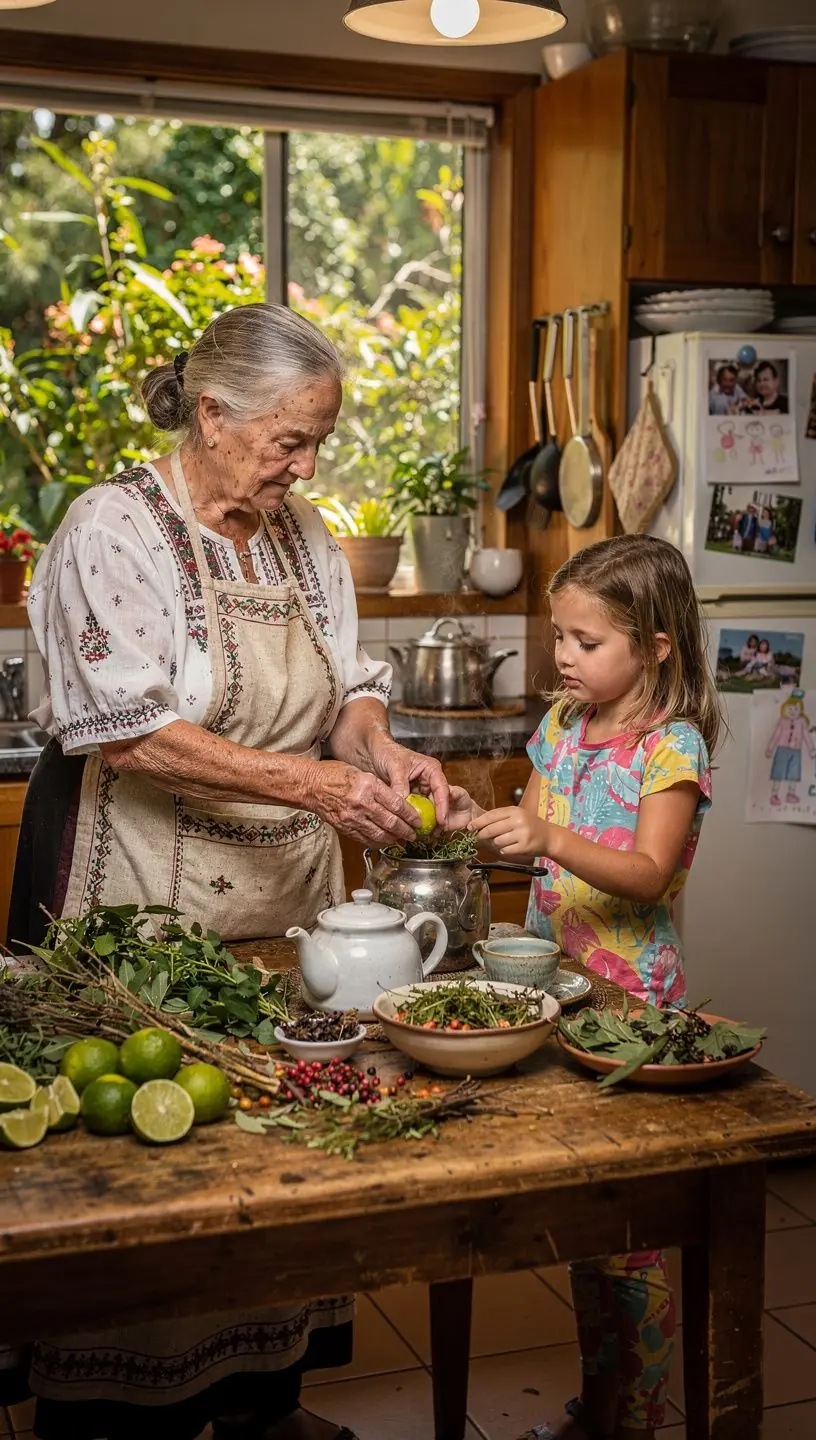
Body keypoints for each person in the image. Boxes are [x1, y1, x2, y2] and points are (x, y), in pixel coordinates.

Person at [4, 302, 450, 1440]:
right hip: (133, 883)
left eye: (317, 442)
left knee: (285, 1146)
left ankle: (264, 1405)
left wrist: (380, 754)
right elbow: (131, 729)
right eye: (290, 440)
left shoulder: (302, 534)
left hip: (283, 896)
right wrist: (313, 787)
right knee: (151, 1167)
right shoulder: (115, 529)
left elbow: (348, 695)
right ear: (212, 414)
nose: (306, 465)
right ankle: (111, 1421)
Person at [445, 534, 721, 1440]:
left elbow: (647, 871)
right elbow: (530, 824)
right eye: (558, 635)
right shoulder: (563, 726)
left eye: (585, 641)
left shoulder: (670, 746)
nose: (562, 655)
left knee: (629, 1227)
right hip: (550, 992)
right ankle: (603, 1406)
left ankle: (633, 1419)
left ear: (654, 645)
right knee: (582, 1217)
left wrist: (552, 843)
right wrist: (480, 824)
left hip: (632, 1011)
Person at [766, 690, 815, 807]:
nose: (793, 712)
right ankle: (774, 794)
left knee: (794, 774)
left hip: (796, 752)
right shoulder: (782, 721)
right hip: (782, 750)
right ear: (785, 708)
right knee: (778, 773)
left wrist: (812, 749)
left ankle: (790, 794)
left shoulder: (802, 722)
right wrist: (770, 749)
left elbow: (807, 736)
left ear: (801, 710)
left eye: (796, 709)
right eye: (790, 709)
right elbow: (775, 735)